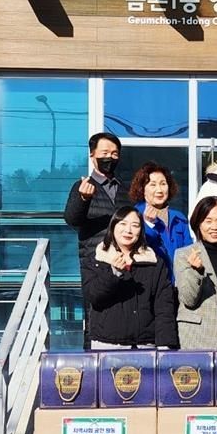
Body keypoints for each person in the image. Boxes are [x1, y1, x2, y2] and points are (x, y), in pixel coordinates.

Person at [64, 132, 132, 348]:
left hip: (125, 262)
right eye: (104, 153)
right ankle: (93, 361)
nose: (109, 158)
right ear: (92, 155)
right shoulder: (82, 186)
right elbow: (72, 219)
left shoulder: (126, 190)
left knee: (125, 313)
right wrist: (83, 198)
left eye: (114, 154)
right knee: (95, 316)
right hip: (94, 263)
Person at [82, 206, 177, 350]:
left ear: (141, 230)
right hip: (107, 345)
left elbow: (164, 307)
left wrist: (165, 346)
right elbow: (94, 296)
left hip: (145, 345)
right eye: (123, 224)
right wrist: (113, 273)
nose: (128, 230)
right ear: (113, 227)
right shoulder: (96, 259)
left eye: (135, 225)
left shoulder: (154, 262)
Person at [174, 196, 217, 350]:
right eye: (208, 221)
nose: (214, 227)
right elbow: (188, 299)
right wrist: (196, 271)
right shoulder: (184, 254)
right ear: (198, 223)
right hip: (196, 337)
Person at [129, 162, 192, 282]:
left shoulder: (179, 217)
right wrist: (148, 224)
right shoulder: (134, 216)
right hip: (150, 283)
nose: (159, 190)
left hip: (179, 283)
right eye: (153, 185)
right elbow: (136, 247)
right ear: (142, 189)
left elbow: (188, 250)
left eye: (163, 184)